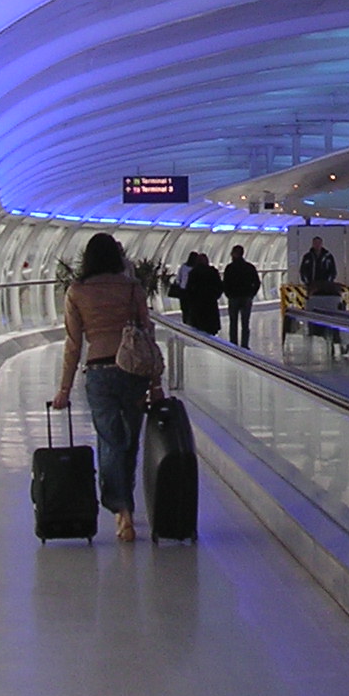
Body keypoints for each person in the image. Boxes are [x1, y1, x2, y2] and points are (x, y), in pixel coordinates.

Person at [51, 232, 156, 542]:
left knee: (110, 440)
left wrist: (64, 390)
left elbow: (73, 344)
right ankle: (127, 505)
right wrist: (157, 382)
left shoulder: (77, 291)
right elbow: (147, 333)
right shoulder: (132, 288)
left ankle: (121, 511)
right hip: (132, 371)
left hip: (99, 371)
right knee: (130, 440)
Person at [221, 244, 260, 347]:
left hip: (233, 297)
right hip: (246, 297)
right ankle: (245, 345)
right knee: (245, 323)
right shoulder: (249, 267)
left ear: (235, 254)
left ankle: (233, 344)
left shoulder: (230, 268)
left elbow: (225, 283)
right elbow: (257, 282)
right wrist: (252, 294)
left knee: (233, 322)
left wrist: (228, 294)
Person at [178, 250, 222, 335]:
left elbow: (189, 288)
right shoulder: (212, 272)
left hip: (197, 304)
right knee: (210, 325)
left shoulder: (193, 273)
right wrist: (215, 296)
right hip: (210, 303)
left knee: (198, 325)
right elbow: (219, 286)